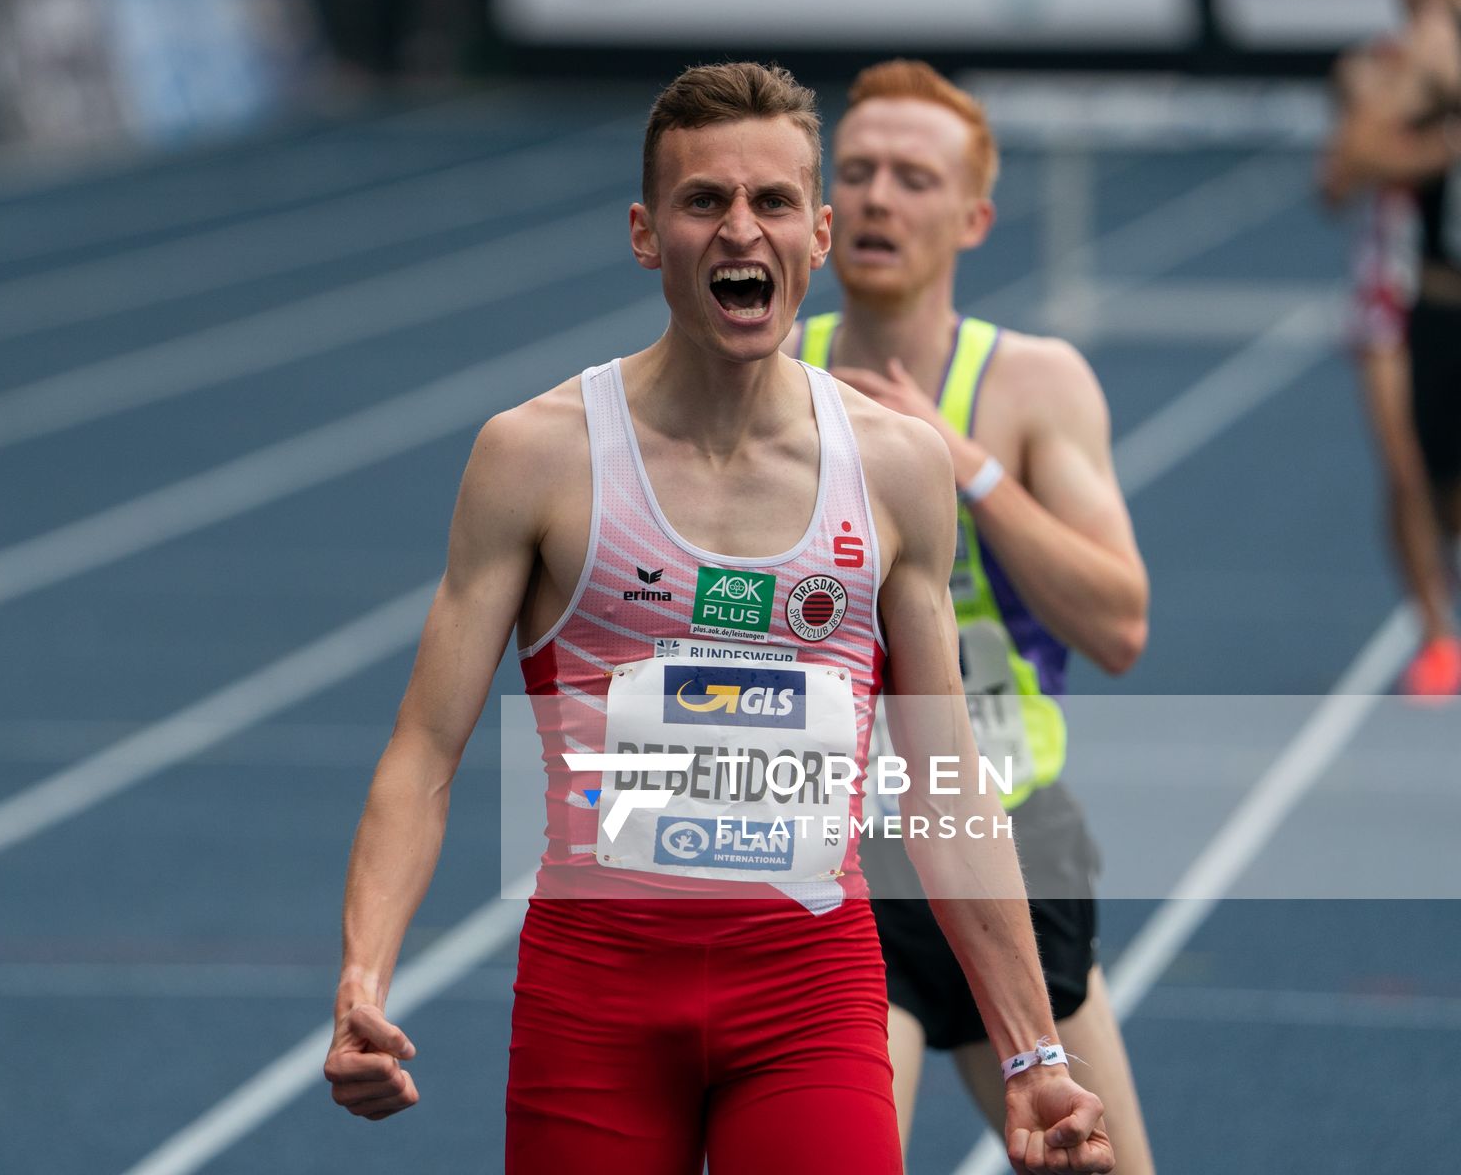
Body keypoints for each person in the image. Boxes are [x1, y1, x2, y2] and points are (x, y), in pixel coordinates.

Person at [325, 61, 1113, 1174]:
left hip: (811, 993)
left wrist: (1034, 1051)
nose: (741, 229)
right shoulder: (536, 455)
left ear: (819, 234)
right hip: (593, 997)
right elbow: (423, 748)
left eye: (774, 202)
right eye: (705, 202)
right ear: (648, 234)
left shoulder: (894, 467)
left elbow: (945, 783)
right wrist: (365, 975)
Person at [783, 60, 1155, 1172]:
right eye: (856, 173)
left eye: (914, 176)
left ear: (974, 215)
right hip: (840, 856)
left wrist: (970, 470)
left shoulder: (1033, 383)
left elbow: (1122, 624)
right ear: (824, 209)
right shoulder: (768, 378)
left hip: (1010, 843)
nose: (881, 198)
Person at [1320, 0, 1461, 700]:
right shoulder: (1375, 65)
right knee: (1404, 469)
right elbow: (1346, 166)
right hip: (1393, 300)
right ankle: (1438, 635)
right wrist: (1439, 140)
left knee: (1450, 494)